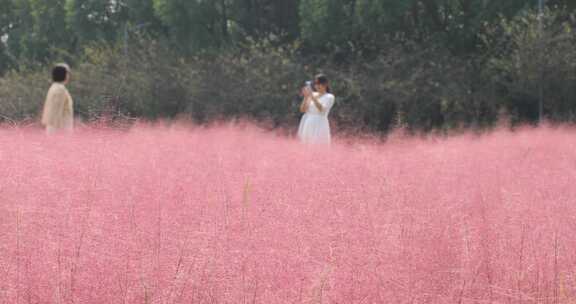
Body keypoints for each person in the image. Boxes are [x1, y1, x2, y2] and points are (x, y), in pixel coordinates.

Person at [297, 74, 335, 144]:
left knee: (318, 144)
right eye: (316, 84)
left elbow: (322, 109)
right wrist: (305, 97)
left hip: (320, 123)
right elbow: (303, 110)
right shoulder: (312, 94)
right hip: (308, 123)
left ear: (325, 84)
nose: (317, 86)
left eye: (319, 83)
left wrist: (312, 97)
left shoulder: (329, 97)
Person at [41, 63, 74, 134]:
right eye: (67, 73)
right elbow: (56, 110)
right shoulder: (60, 89)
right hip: (60, 128)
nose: (68, 76)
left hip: (55, 127)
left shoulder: (54, 87)